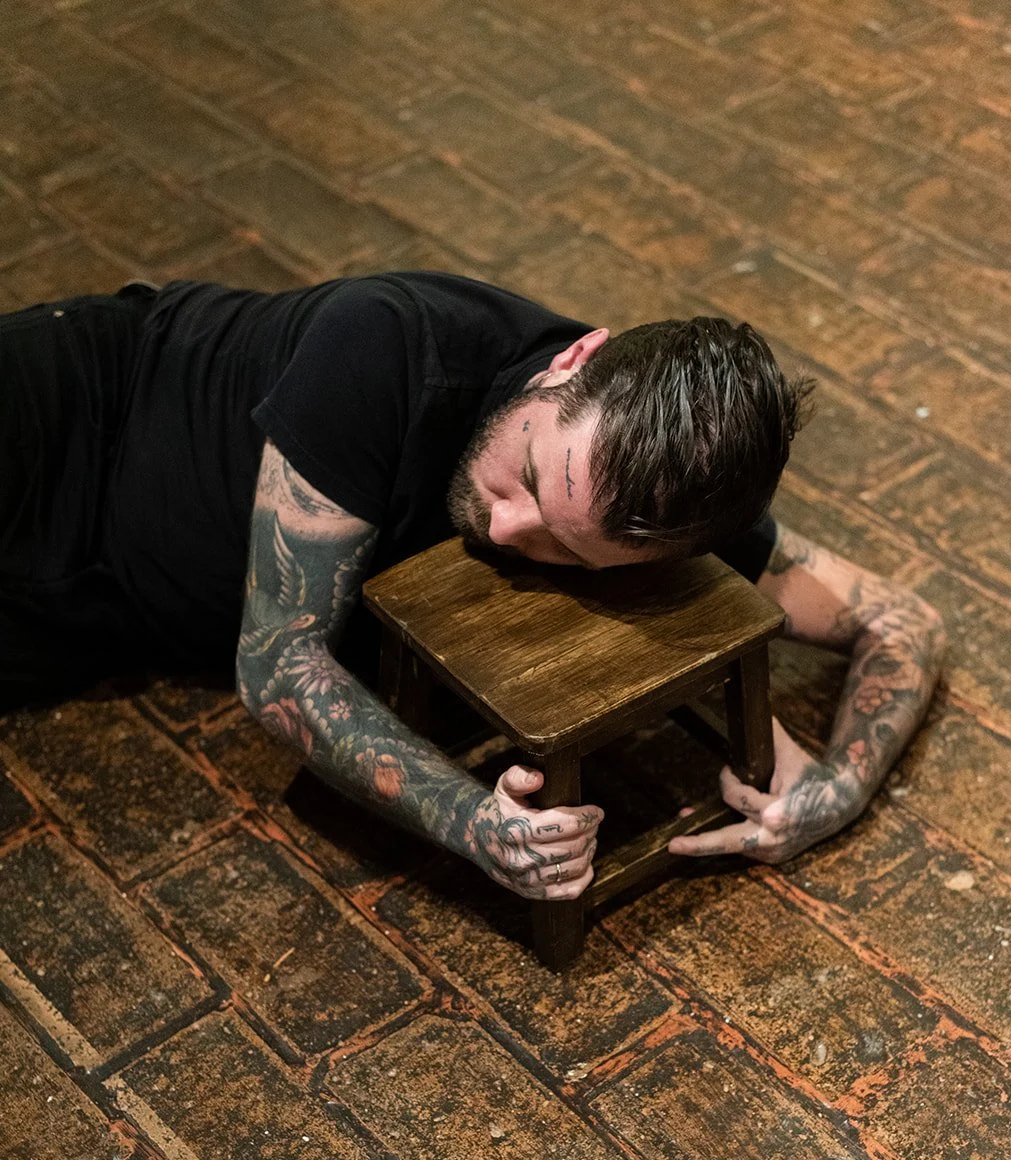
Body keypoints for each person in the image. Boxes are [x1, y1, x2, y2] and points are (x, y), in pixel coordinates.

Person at [0, 272, 944, 900]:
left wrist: (839, 790)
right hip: (68, 416)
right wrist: (472, 822)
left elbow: (904, 622)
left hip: (94, 618)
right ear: (574, 362)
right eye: (529, 477)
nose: (504, 528)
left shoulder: (667, 506)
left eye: (568, 552)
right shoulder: (385, 343)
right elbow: (279, 663)